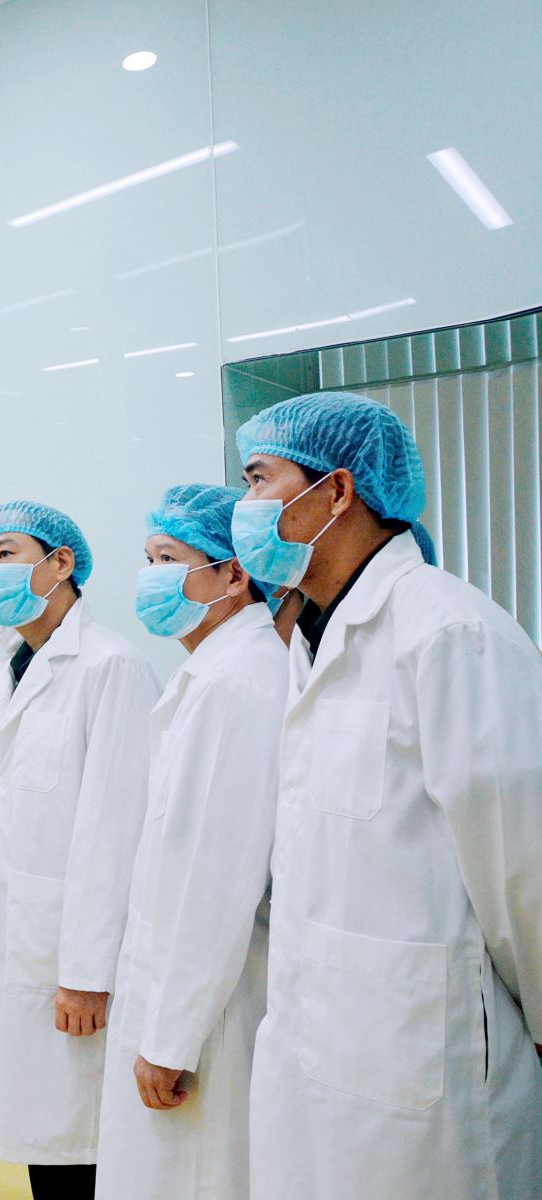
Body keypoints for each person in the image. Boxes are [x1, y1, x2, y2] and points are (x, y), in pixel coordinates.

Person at [232, 391, 542, 1200]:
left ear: (336, 491)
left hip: (425, 1052)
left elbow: (521, 863)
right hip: (323, 1037)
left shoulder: (450, 632)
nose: (244, 505)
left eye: (259, 479)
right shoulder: (311, 638)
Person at [92, 485, 286, 1200]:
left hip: (213, 1016)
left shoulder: (238, 683)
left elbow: (216, 881)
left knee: (196, 1177)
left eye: (169, 558)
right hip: (184, 992)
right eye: (147, 559)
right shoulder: (211, 673)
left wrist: (170, 1038)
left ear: (234, 574)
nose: (151, 576)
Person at [0, 500, 159, 1200]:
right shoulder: (4, 675)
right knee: (40, 1135)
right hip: (17, 945)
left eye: (6, 554)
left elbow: (114, 833)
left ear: (61, 563)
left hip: (71, 961)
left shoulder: (110, 667)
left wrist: (86, 972)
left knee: (81, 1143)